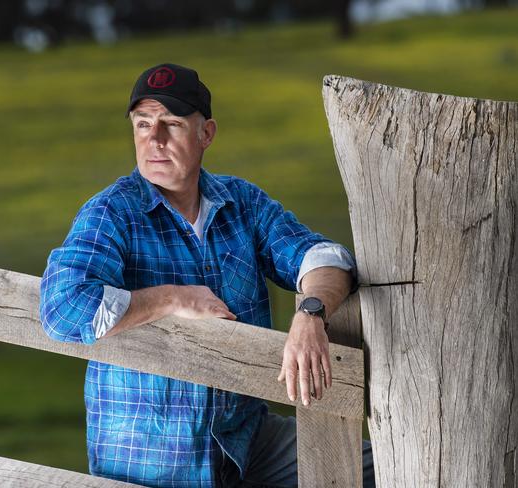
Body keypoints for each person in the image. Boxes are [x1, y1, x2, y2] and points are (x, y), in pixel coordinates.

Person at [40, 63, 375, 487]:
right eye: (143, 124)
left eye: (172, 124)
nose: (154, 140)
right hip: (155, 458)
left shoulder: (241, 202)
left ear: (206, 134)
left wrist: (311, 313)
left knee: (385, 463)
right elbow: (63, 309)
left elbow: (326, 256)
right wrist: (172, 299)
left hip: (242, 441)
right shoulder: (113, 212)